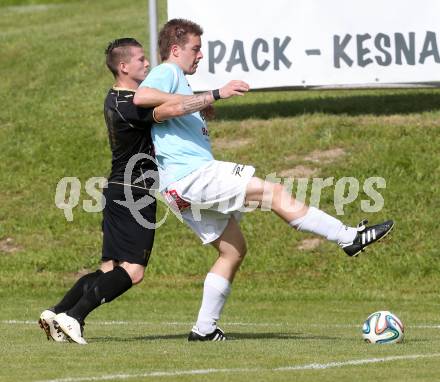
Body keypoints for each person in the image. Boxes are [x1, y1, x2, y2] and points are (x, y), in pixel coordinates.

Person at [133, 19, 394, 342]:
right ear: (175, 49)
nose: (200, 56)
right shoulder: (169, 72)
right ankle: (348, 237)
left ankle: (204, 330)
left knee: (233, 251)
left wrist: (200, 103)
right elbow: (142, 97)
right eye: (195, 49)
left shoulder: (178, 84)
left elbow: (168, 107)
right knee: (274, 193)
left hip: (178, 186)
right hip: (193, 175)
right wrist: (216, 93)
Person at [38, 37, 235, 344]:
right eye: (141, 59)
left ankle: (57, 312)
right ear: (123, 66)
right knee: (133, 271)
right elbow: (174, 109)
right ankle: (73, 317)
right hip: (134, 192)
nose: (147, 64)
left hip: (116, 188)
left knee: (108, 270)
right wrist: (214, 96)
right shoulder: (133, 105)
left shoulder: (114, 97)